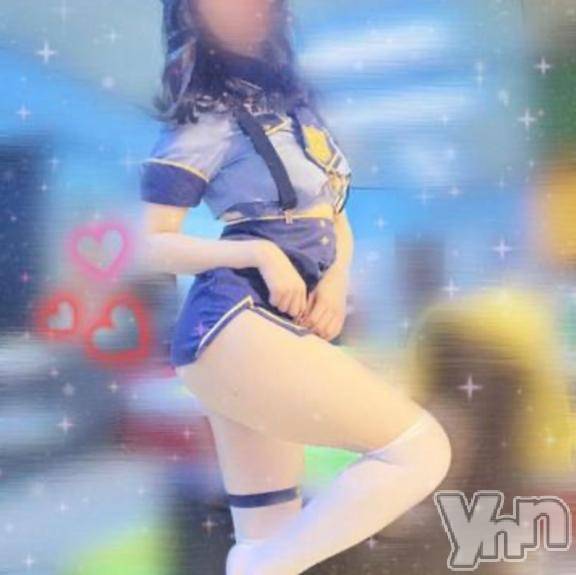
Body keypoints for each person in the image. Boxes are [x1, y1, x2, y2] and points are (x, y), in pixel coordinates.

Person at [139, 1, 453, 573]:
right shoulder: (204, 118)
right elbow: (153, 244)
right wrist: (259, 252)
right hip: (232, 323)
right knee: (419, 450)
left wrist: (334, 281)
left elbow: (334, 217)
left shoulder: (298, 112)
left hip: (272, 328)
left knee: (265, 538)